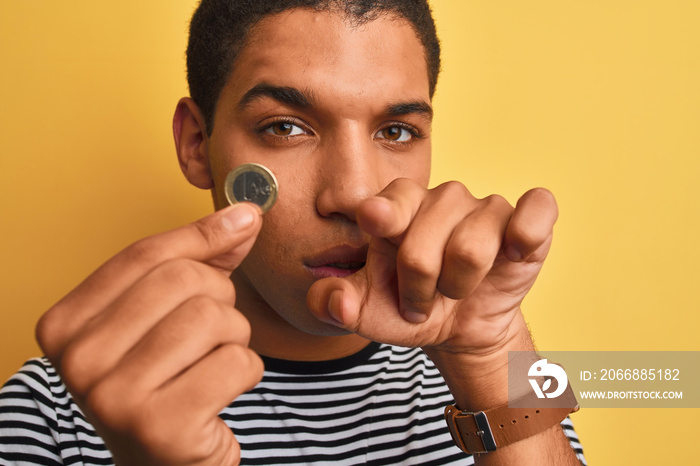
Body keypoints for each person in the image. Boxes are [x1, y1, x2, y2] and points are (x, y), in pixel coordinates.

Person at [0, 1, 586, 464]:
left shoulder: (492, 366)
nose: (356, 196)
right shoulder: (53, 414)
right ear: (197, 145)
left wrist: (490, 361)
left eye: (398, 132)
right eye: (285, 126)